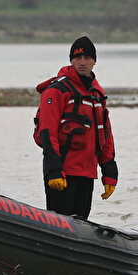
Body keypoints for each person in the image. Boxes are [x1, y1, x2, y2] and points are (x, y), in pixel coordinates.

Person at [34, 35, 118, 219]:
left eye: (87, 58)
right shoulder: (57, 91)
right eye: (78, 58)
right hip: (62, 172)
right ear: (71, 60)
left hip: (87, 172)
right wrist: (54, 170)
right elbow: (47, 132)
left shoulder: (97, 94)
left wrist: (109, 171)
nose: (82, 62)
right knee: (59, 226)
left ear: (94, 62)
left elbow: (105, 135)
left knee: (81, 224)